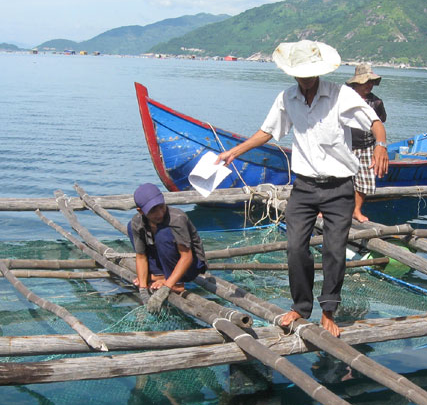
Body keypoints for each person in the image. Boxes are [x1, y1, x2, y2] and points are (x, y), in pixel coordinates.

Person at [216, 40, 388, 337]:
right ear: (293, 73)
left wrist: (381, 146)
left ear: (319, 72)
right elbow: (267, 131)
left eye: (310, 73)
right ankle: (301, 306)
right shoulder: (288, 98)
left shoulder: (340, 95)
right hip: (305, 186)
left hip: (339, 186)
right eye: (300, 73)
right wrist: (235, 152)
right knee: (295, 247)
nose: (305, 79)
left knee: (334, 250)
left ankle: (329, 311)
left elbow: (374, 122)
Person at [128, 183, 208, 311]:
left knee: (163, 234)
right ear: (141, 211)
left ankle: (175, 283)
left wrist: (167, 287)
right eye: (153, 211)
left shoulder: (177, 219)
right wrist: (143, 289)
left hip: (190, 266)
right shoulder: (137, 222)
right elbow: (141, 256)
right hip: (163, 262)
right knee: (131, 227)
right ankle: (160, 276)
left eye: (161, 207)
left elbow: (187, 257)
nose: (159, 213)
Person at [346, 63, 388, 222]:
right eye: (365, 82)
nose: (369, 85)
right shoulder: (345, 100)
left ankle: (356, 210)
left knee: (364, 180)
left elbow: (380, 123)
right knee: (337, 178)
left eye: (371, 82)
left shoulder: (376, 103)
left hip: (367, 145)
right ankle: (325, 208)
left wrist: (380, 146)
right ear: (356, 83)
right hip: (347, 144)